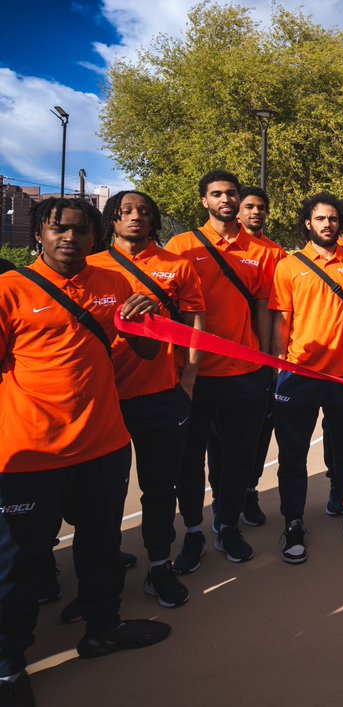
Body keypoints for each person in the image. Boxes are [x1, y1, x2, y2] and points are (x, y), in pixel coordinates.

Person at [0, 198, 170, 705]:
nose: (69, 239)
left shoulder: (115, 285)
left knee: (101, 548)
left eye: (80, 231)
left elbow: (145, 351)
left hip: (103, 445)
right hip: (31, 455)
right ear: (38, 237)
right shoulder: (10, 290)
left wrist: (149, 320)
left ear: (95, 238)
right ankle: (9, 663)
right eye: (58, 230)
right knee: (19, 564)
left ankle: (103, 627)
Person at [89, 190, 205, 608]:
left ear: (154, 220)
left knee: (159, 488)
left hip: (161, 395)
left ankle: (159, 564)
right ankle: (101, 574)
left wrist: (189, 377)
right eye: (125, 212)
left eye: (143, 211)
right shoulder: (90, 266)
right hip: (105, 400)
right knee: (102, 495)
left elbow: (195, 320)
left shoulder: (177, 265)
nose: (134, 217)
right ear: (111, 221)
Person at [164, 170, 276, 570]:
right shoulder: (181, 246)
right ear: (204, 201)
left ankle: (226, 524)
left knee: (238, 458)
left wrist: (265, 360)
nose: (226, 199)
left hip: (245, 374)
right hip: (193, 376)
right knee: (190, 460)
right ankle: (193, 530)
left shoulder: (261, 250)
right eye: (217, 194)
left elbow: (264, 308)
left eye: (232, 193)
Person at [270, 193, 343, 564]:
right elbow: (281, 322)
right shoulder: (289, 267)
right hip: (299, 375)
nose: (329, 224)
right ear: (308, 223)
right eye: (321, 219)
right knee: (293, 453)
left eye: (334, 218)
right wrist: (278, 366)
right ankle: (294, 521)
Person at [227, 184, 286, 528]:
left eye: (261, 207)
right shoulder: (224, 249)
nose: (256, 212)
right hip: (215, 358)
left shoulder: (275, 253)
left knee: (258, 431)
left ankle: (248, 490)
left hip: (257, 359)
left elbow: (274, 309)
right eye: (250, 206)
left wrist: (271, 358)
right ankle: (222, 501)